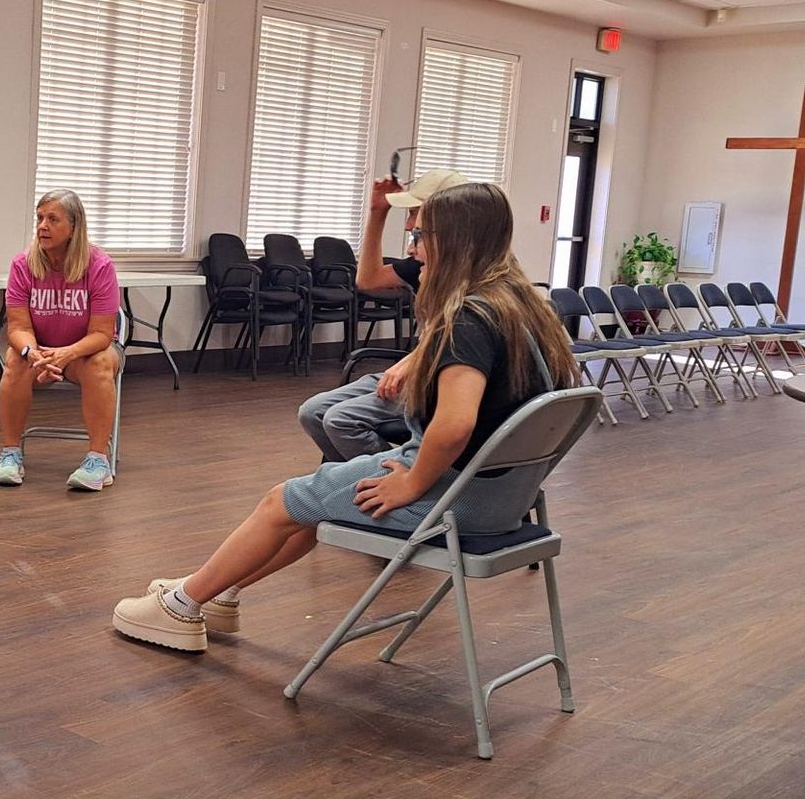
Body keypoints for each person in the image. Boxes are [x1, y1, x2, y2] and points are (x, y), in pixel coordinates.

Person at [112, 181, 578, 654]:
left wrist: (412, 483)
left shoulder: (468, 318)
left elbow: (455, 424)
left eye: (420, 237)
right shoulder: (523, 307)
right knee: (312, 502)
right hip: (505, 498)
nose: (412, 250)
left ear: (455, 240)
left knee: (280, 502)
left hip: (457, 502)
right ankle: (217, 591)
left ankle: (180, 607)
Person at [296, 168, 473, 463]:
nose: (409, 225)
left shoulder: (475, 284)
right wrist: (378, 213)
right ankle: (356, 480)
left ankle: (395, 478)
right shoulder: (423, 265)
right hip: (415, 370)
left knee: (340, 420)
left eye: (415, 214)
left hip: (438, 382)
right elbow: (367, 280)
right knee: (312, 412)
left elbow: (458, 342)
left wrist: (411, 362)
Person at [0, 189, 123, 492]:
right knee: (14, 358)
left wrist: (67, 354)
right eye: (39, 218)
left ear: (74, 227)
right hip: (40, 355)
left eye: (52, 219)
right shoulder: (23, 264)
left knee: (100, 363)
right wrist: (32, 353)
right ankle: (11, 454)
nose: (42, 226)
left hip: (85, 353)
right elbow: (18, 327)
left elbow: (102, 334)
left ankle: (98, 461)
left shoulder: (99, 265)